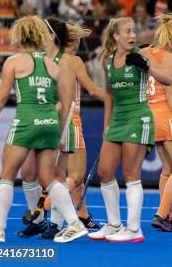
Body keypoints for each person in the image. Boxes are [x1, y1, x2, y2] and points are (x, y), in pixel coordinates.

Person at [0, 16, 87, 243]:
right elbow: (66, 100)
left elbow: (2, 98)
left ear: (19, 36)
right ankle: (74, 223)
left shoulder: (13, 62)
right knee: (48, 179)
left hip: (25, 123)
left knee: (7, 177)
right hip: (49, 123)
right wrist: (59, 132)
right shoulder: (52, 64)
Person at [88, 17, 172, 242]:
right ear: (116, 36)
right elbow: (109, 94)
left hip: (138, 117)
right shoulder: (107, 59)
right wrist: (107, 124)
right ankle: (114, 224)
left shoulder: (141, 55)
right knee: (104, 172)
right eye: (127, 31)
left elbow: (168, 79)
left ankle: (134, 229)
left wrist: (145, 65)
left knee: (130, 174)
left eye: (133, 31)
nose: (132, 35)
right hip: (118, 121)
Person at [139, 15, 172, 232]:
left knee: (167, 167)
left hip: (148, 115)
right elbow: (170, 94)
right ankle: (162, 214)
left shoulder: (142, 53)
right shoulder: (171, 58)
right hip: (164, 114)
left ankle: (167, 214)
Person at [64, 23, 106, 230]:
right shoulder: (74, 61)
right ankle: (42, 209)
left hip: (52, 122)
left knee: (66, 176)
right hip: (71, 122)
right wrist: (111, 99)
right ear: (74, 41)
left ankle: (82, 215)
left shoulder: (49, 60)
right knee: (76, 176)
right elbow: (90, 88)